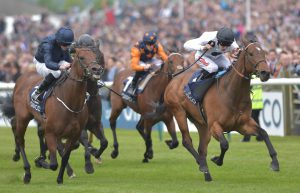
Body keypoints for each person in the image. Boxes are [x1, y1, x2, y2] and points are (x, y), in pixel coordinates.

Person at [31, 26, 74, 103]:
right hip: (42, 63)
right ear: (59, 42)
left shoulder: (64, 44)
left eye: (68, 45)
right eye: (65, 45)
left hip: (56, 61)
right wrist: (60, 67)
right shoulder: (47, 44)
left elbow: (69, 61)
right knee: (56, 72)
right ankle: (38, 92)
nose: (67, 47)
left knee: (71, 68)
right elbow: (48, 63)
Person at [130, 31, 168, 95]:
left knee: (162, 64)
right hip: (140, 60)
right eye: (149, 44)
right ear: (144, 43)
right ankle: (133, 85)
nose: (151, 46)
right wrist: (143, 67)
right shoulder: (137, 48)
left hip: (150, 59)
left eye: (152, 44)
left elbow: (165, 58)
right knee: (143, 70)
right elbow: (134, 66)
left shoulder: (158, 46)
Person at [242, 75, 263, 142]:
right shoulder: (258, 77)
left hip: (253, 104)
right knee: (256, 121)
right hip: (259, 104)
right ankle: (260, 137)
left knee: (248, 121)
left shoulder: (250, 77)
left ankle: (247, 138)